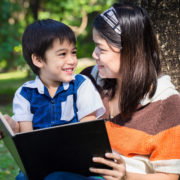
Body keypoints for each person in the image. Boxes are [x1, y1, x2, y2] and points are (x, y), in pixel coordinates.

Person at [45, 2, 180, 180]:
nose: (94, 54)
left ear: (130, 53)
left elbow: (169, 177)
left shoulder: (166, 104)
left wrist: (125, 175)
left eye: (101, 49)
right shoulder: (89, 81)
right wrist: (17, 125)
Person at [10, 19, 105, 179]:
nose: (72, 60)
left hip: (79, 167)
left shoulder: (81, 85)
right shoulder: (25, 93)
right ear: (38, 60)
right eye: (62, 54)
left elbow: (87, 133)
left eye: (73, 52)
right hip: (42, 166)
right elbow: (28, 141)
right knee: (22, 177)